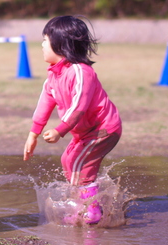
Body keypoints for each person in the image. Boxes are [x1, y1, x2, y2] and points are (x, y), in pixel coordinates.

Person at [23, 15, 122, 225]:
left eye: (45, 40)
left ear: (61, 45)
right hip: (85, 132)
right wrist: (33, 133)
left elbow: (79, 105)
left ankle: (91, 210)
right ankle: (94, 203)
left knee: (78, 163)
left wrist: (60, 129)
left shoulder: (81, 72)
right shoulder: (54, 76)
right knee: (68, 161)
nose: (41, 45)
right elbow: (44, 104)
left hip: (102, 129)